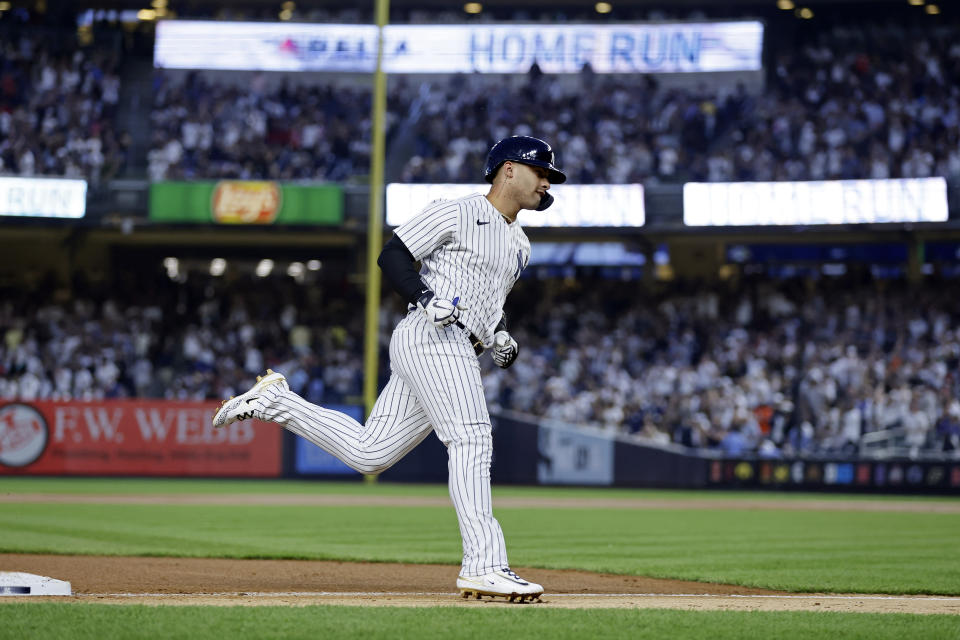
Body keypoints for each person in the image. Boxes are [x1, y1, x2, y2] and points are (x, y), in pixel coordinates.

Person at [212, 135, 566, 602]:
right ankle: (484, 565)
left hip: (459, 345)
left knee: (370, 452)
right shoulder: (456, 211)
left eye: (548, 176)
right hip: (432, 336)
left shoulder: (520, 243)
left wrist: (500, 332)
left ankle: (277, 402)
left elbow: (489, 302)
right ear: (507, 170)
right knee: (472, 436)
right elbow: (393, 254)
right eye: (540, 171)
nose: (546, 181)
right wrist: (423, 296)